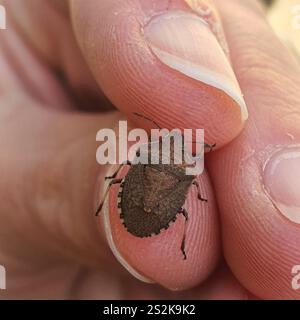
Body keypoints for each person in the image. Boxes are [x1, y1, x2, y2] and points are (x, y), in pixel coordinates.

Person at [0, 0, 299, 299]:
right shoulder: (183, 171)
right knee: (180, 213)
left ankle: (151, 231)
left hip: (139, 205)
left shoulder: (152, 157)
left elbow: (126, 171)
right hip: (156, 212)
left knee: (116, 178)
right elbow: (195, 192)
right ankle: (180, 246)